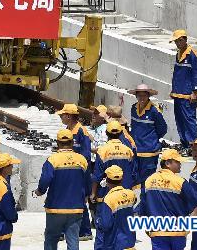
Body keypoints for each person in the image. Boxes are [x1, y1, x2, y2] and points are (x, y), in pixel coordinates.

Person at [34, 129, 90, 250]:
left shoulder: (52, 160)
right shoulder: (82, 160)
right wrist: (86, 196)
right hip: (76, 208)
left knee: (51, 239)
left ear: (58, 143)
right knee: (73, 240)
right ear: (72, 142)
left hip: (55, 208)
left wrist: (39, 191)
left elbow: (45, 180)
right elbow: (87, 183)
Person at [138, 149, 197, 250]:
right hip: (177, 231)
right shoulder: (180, 182)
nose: (180, 164)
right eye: (177, 162)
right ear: (167, 163)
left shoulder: (148, 181)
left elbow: (143, 206)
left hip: (157, 231)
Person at [57, 103, 93, 241]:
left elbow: (86, 155)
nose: (61, 117)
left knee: (79, 201)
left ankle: (85, 231)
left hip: (78, 172)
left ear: (69, 116)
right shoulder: (68, 130)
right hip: (68, 171)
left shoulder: (81, 131)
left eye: (62, 115)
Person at [91, 120, 137, 214]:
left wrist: (93, 193)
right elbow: (134, 172)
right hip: (125, 194)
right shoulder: (128, 151)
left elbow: (97, 175)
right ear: (120, 133)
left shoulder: (102, 151)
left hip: (106, 193)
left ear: (107, 133)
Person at [170, 30, 197, 155]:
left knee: (189, 119)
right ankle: (184, 143)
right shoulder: (179, 53)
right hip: (178, 93)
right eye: (176, 41)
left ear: (185, 39)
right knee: (180, 120)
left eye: (179, 40)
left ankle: (193, 145)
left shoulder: (191, 54)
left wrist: (195, 91)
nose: (177, 43)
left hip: (187, 94)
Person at [129, 84, 167, 186]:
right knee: (134, 180)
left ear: (148, 96)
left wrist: (151, 139)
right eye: (139, 95)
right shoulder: (133, 108)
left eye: (144, 95)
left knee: (147, 183)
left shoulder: (154, 111)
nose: (142, 98)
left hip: (149, 153)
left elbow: (162, 129)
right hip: (136, 151)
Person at [94, 165, 137, 250]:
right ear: (121, 179)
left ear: (107, 180)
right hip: (129, 242)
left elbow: (106, 225)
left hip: (115, 244)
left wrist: (98, 221)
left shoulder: (108, 199)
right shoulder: (131, 194)